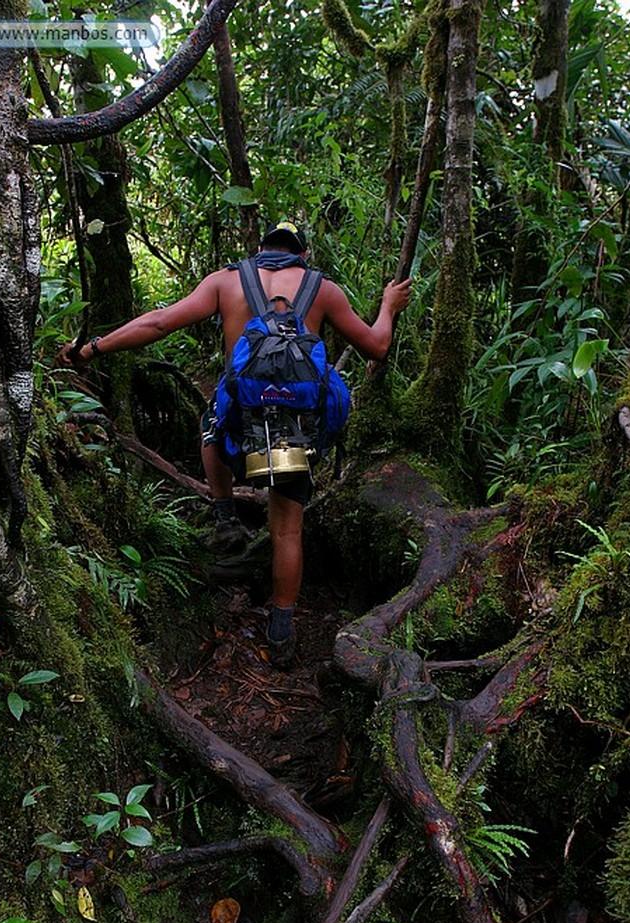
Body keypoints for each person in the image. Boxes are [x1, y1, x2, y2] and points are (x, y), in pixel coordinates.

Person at [57, 220, 411, 668]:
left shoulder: (227, 281)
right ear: (303, 256)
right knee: (286, 529)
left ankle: (225, 517)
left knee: (211, 420)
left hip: (237, 435)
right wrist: (388, 304)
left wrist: (89, 349)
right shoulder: (323, 289)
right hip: (293, 433)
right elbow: (377, 346)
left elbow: (160, 322)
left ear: (260, 248)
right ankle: (281, 632)